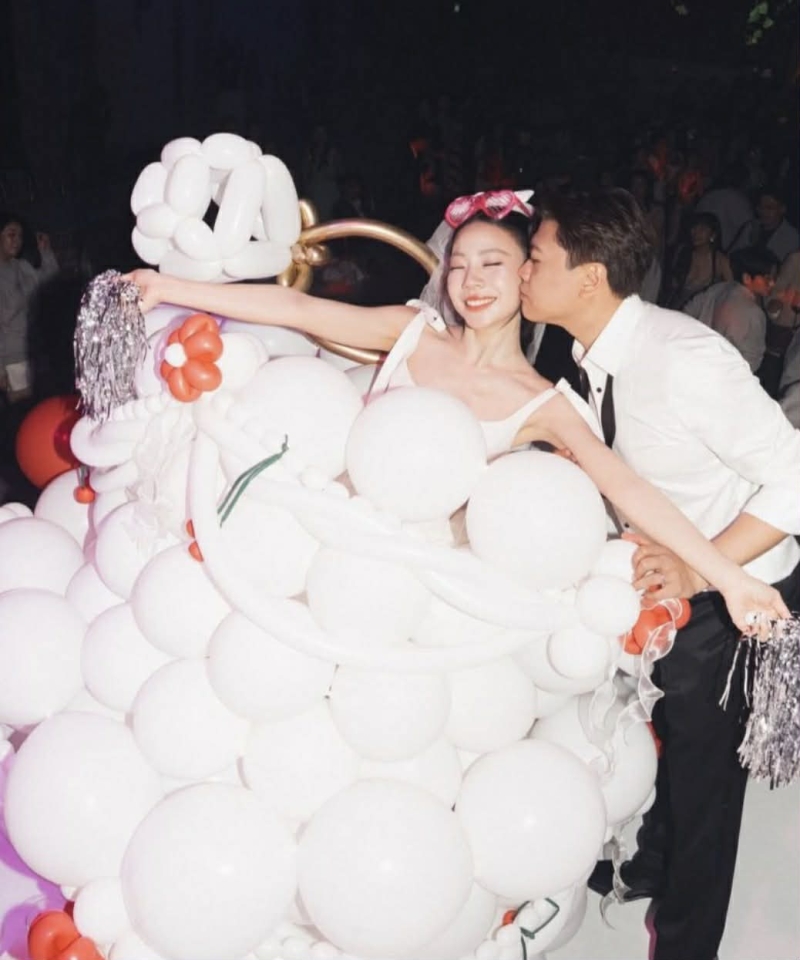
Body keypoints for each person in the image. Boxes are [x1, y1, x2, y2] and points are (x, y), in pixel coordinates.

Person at [126, 191, 788, 637]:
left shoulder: (549, 402)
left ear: (526, 275)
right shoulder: (411, 330)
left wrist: (727, 579)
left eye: (494, 264)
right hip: (310, 552)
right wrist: (170, 286)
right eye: (459, 265)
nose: (471, 282)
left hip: (420, 604)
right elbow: (298, 309)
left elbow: (628, 487)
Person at [517, 187, 800, 960]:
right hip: (678, 583)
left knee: (707, 784)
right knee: (675, 731)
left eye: (535, 258)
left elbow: (795, 478)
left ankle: (684, 944)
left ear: (589, 277)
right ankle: (653, 862)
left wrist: (698, 568)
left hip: (736, 589)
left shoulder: (681, 360)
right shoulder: (590, 352)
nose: (521, 273)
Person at [682, 245, 778, 374]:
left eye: (773, 278)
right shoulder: (754, 313)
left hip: (694, 359)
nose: (772, 283)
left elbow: (687, 311)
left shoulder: (719, 288)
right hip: (721, 374)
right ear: (747, 278)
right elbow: (752, 360)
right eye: (767, 279)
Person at [0, 213, 58, 401]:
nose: (17, 240)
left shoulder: (21, 266)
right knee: (22, 409)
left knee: (42, 404)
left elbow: (48, 281)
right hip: (12, 359)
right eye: (11, 234)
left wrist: (45, 251)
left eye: (20, 236)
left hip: (35, 351)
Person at [664, 210, 733, 311]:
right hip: (678, 308)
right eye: (694, 228)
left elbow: (731, 292)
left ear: (713, 235)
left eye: (702, 229)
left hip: (704, 311)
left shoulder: (720, 261)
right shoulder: (683, 253)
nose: (696, 232)